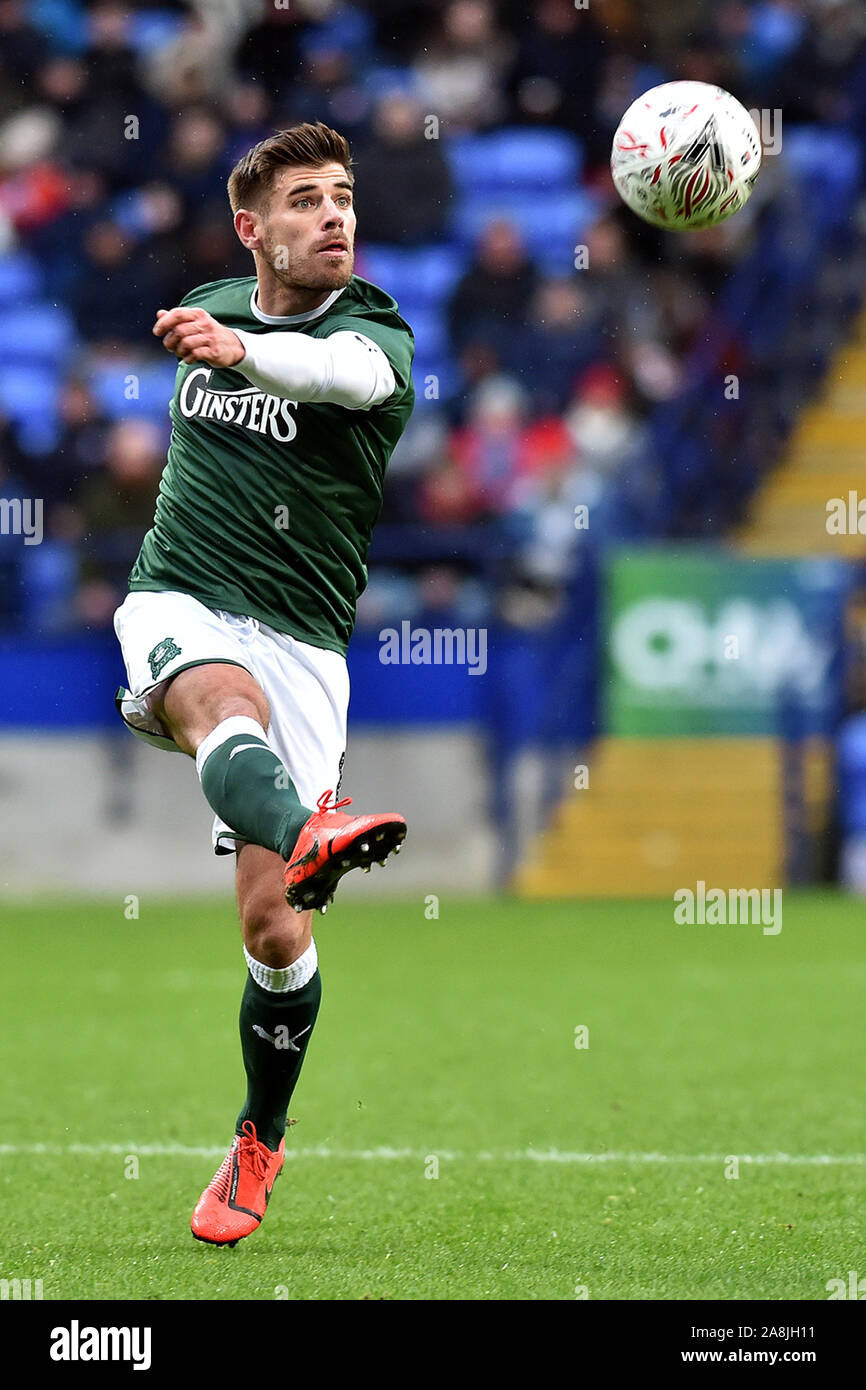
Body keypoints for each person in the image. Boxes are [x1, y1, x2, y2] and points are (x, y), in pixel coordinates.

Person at [112, 121, 415, 1247]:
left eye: (341, 196)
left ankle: (259, 1134)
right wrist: (224, 344)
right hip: (178, 597)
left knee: (273, 935)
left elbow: (337, 375)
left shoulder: (377, 334)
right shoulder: (211, 299)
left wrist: (240, 355)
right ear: (254, 230)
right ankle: (312, 826)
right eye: (303, 200)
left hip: (306, 643)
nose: (332, 214)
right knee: (218, 706)